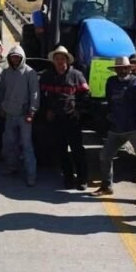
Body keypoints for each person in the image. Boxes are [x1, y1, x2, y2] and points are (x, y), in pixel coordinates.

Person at [92, 56, 136, 210]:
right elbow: (109, 101)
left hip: (134, 128)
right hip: (116, 127)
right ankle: (107, 186)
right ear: (116, 70)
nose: (122, 70)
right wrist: (109, 116)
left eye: (125, 68)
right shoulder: (111, 82)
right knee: (105, 155)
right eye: (119, 68)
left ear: (129, 69)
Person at [40, 46, 90, 190]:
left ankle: (82, 178)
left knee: (77, 149)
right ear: (53, 61)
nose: (60, 61)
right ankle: (68, 177)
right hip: (56, 119)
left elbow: (86, 94)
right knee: (60, 149)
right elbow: (42, 95)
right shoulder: (47, 76)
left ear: (67, 60)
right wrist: (47, 110)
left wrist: (78, 110)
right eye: (57, 59)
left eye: (62, 59)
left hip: (72, 119)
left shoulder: (77, 75)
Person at [0, 45, 40, 187]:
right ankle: (12, 167)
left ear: (22, 57)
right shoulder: (6, 72)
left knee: (27, 146)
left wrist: (32, 112)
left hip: (24, 116)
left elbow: (35, 93)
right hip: (10, 114)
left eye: (17, 57)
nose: (15, 59)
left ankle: (31, 175)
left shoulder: (30, 72)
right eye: (13, 57)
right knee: (10, 143)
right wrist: (1, 107)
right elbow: (2, 91)